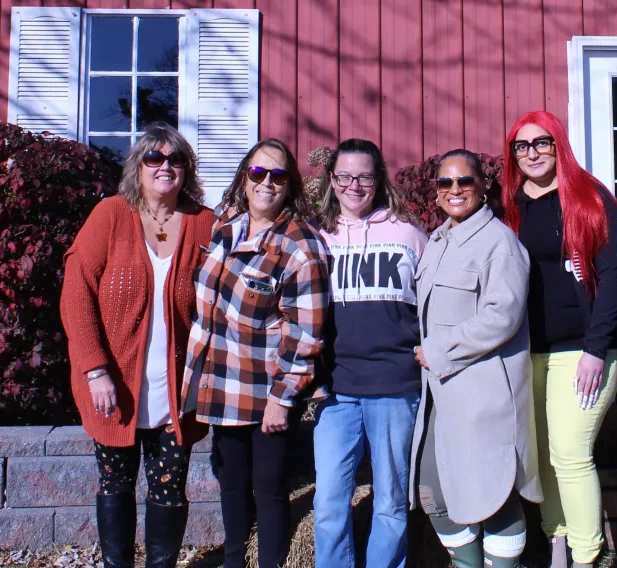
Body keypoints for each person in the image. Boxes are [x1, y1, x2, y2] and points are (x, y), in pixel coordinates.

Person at [60, 123, 214, 568]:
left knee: (170, 488)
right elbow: (76, 293)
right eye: (154, 157)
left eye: (175, 159)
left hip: (177, 390)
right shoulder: (111, 214)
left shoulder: (205, 222)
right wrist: (95, 369)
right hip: (115, 386)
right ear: (138, 166)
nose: (165, 166)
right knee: (116, 484)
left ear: (186, 169)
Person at [180, 139, 329, 568]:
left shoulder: (301, 245)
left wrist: (283, 398)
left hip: (266, 390)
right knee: (231, 484)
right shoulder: (225, 229)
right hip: (222, 381)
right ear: (244, 179)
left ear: (290, 185)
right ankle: (234, 561)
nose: (267, 183)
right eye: (258, 173)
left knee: (268, 486)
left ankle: (270, 563)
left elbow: (306, 333)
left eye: (278, 175)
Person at [502, 111, 617, 568]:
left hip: (583, 348)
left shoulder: (589, 198)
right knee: (542, 457)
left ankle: (586, 555)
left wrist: (596, 350)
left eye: (542, 142)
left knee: (570, 453)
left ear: (558, 146)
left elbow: (613, 277)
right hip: (528, 350)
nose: (532, 153)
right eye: (522, 145)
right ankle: (557, 542)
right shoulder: (510, 205)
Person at [410, 149, 541, 568]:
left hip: (485, 394)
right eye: (445, 182)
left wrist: (439, 350)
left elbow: (502, 316)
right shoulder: (436, 241)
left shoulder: (499, 243)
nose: (454, 189)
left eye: (464, 180)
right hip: (441, 393)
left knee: (494, 496)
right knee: (432, 491)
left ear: (482, 186)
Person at [313, 139, 428, 568]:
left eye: (363, 176)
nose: (354, 186)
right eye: (344, 177)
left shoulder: (408, 234)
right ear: (332, 180)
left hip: (395, 387)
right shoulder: (318, 236)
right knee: (328, 502)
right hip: (337, 390)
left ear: (378, 180)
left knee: (391, 502)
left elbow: (433, 302)